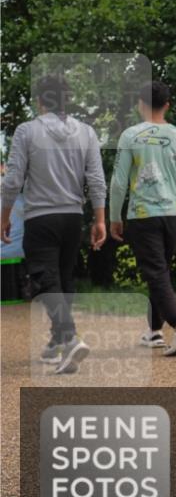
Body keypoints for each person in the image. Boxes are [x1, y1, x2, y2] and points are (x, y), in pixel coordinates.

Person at [1, 74, 107, 374]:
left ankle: (70, 338)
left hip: (40, 217)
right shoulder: (86, 132)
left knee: (45, 280)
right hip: (73, 217)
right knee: (62, 279)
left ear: (40, 101)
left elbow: (13, 180)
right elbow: (96, 179)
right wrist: (99, 218)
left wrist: (4, 217)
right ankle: (58, 343)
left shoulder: (27, 131)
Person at [109, 81, 176, 356]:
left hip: (142, 215)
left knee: (156, 272)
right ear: (167, 106)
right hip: (173, 214)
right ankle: (153, 332)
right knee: (159, 272)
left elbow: (118, 182)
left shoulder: (130, 136)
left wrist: (115, 216)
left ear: (140, 105)